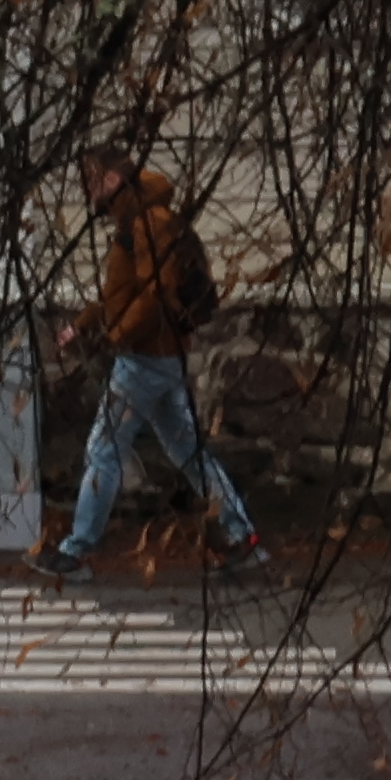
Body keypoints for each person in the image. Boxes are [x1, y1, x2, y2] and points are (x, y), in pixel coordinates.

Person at [43, 142, 267, 576]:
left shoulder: (150, 223)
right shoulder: (137, 222)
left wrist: (116, 336)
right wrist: (86, 324)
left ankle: (77, 552)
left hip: (144, 358)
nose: (88, 193)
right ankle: (244, 537)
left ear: (111, 180)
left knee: (103, 448)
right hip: (160, 357)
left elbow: (154, 296)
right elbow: (124, 294)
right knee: (188, 451)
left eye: (92, 182)